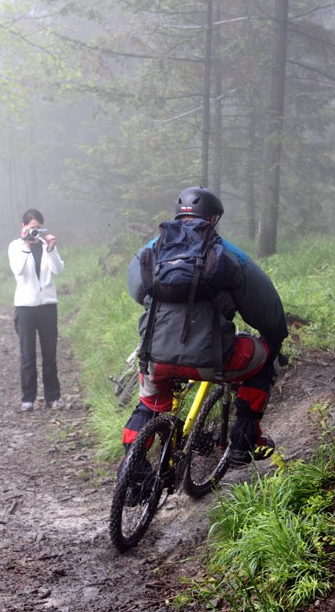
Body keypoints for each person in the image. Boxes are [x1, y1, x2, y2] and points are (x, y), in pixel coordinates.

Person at [122, 186, 288, 466]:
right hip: (214, 360)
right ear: (212, 219)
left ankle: (132, 470)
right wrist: (275, 336)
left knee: (148, 405)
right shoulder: (227, 253)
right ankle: (244, 443)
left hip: (155, 357)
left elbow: (138, 291)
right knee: (265, 357)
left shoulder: (151, 249)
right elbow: (263, 305)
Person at [8, 208, 65, 412]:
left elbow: (58, 269)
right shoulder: (15, 247)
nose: (35, 232)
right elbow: (18, 270)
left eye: (38, 228)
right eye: (32, 228)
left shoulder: (45, 245)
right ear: (23, 227)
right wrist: (25, 244)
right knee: (27, 354)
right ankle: (28, 398)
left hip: (48, 305)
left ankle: (53, 396)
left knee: (49, 353)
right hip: (25, 307)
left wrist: (51, 248)